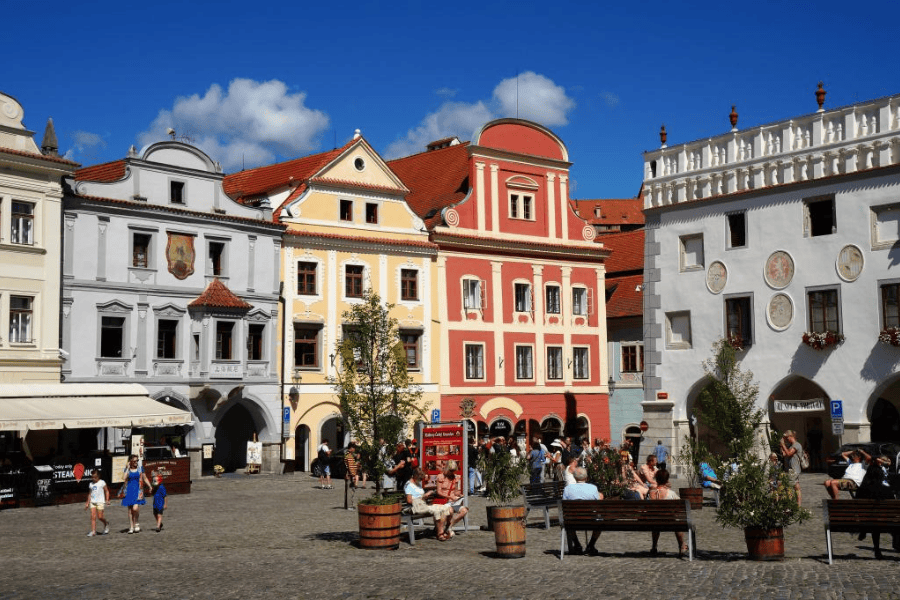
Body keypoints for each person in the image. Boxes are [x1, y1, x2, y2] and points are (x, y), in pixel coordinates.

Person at [562, 467, 603, 555]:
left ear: (575, 477)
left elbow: (564, 506)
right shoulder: (593, 488)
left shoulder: (567, 489)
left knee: (568, 520)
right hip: (590, 519)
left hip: (573, 520)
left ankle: (577, 544)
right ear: (586, 477)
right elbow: (598, 504)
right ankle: (591, 545)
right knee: (600, 522)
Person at [648, 469, 688, 557]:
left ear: (656, 479)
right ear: (667, 480)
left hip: (653, 522)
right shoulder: (671, 493)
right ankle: (682, 545)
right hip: (670, 522)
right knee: (677, 523)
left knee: (656, 520)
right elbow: (681, 508)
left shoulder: (650, 493)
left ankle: (654, 547)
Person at [405, 468, 454, 541]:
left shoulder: (417, 484)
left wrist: (425, 496)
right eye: (420, 479)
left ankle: (441, 531)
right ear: (415, 476)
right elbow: (409, 501)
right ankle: (440, 534)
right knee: (439, 510)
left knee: (444, 508)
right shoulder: (409, 485)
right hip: (416, 507)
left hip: (422, 505)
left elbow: (419, 497)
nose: (421, 481)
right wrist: (423, 497)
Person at [117, 454, 152, 534]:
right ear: (130, 461)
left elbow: (145, 478)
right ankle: (131, 527)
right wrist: (127, 468)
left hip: (138, 491)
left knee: (135, 508)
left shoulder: (140, 468)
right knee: (130, 510)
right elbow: (124, 478)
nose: (136, 462)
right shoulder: (127, 469)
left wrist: (149, 486)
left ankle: (136, 522)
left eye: (137, 460)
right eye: (135, 461)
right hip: (129, 491)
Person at [434, 460, 469, 529]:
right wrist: (449, 497)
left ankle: (449, 525)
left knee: (464, 510)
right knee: (450, 511)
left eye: (453, 470)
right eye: (451, 470)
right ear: (447, 468)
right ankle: (444, 528)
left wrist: (459, 495)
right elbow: (439, 492)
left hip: (453, 502)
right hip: (444, 501)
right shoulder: (441, 476)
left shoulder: (455, 477)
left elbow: (456, 491)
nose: (452, 472)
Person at [780, 430, 803, 505]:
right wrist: (781, 446)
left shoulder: (796, 445)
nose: (786, 440)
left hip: (793, 470)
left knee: (788, 487)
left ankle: (790, 505)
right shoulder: (791, 446)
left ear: (791, 437)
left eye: (787, 438)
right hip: (791, 469)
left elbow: (789, 453)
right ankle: (798, 505)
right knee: (796, 487)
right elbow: (784, 454)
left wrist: (783, 445)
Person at [84, 469, 110, 536]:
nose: (93, 478)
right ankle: (93, 531)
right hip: (93, 502)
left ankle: (106, 523)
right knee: (93, 516)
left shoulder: (102, 482)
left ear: (98, 476)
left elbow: (106, 491)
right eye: (92, 477)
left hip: (100, 502)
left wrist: (107, 500)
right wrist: (87, 502)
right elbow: (90, 494)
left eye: (94, 477)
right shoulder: (91, 484)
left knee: (100, 517)